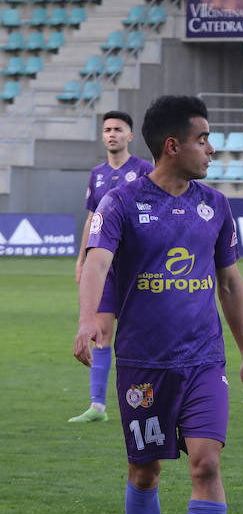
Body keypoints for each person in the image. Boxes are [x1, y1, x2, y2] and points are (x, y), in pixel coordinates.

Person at [72, 94, 243, 514]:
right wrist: (89, 317)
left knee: (206, 463)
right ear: (173, 145)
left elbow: (229, 282)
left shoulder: (216, 205)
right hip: (143, 363)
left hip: (204, 360)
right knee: (145, 471)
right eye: (203, 138)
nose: (211, 148)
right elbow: (97, 260)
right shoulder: (122, 202)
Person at [70, 110, 154, 423]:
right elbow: (93, 220)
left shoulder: (145, 170)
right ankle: (98, 407)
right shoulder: (98, 174)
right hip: (103, 265)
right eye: (107, 129)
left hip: (135, 266)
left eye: (118, 129)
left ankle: (145, 399)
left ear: (130, 136)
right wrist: (82, 259)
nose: (111, 134)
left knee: (137, 334)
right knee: (102, 331)